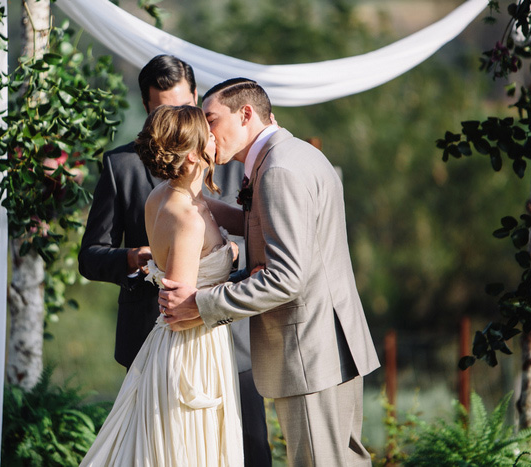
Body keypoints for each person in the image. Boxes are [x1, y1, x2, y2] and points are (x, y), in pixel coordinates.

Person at [159, 78, 381, 466]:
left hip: (309, 353)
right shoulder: (295, 155)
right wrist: (201, 206)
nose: (206, 133)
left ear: (246, 114)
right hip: (327, 345)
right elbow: (267, 225)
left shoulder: (278, 170)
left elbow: (286, 277)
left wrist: (202, 303)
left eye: (211, 120)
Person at [78, 56, 271, 465]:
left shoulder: (178, 195)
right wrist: (229, 263)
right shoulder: (181, 210)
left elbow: (241, 217)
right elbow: (181, 301)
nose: (214, 140)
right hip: (191, 349)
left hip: (217, 343)